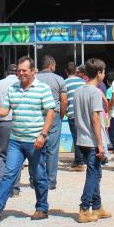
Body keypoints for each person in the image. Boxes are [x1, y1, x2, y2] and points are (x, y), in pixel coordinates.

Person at [0, 56, 56, 222]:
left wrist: (43, 135)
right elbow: (5, 110)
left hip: (35, 140)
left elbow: (51, 112)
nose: (20, 73)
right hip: (16, 140)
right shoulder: (13, 88)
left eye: (24, 70)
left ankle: (42, 208)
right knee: (9, 174)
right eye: (19, 71)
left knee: (38, 175)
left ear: (33, 71)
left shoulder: (42, 88)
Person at [72, 58, 111, 223]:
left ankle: (97, 206)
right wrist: (100, 143)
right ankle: (84, 207)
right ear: (99, 72)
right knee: (92, 174)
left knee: (96, 174)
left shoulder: (78, 91)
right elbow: (96, 118)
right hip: (93, 140)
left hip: (81, 139)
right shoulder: (95, 92)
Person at [0, 63, 22, 197]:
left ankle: (2, 186)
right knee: (17, 155)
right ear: (17, 72)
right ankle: (15, 188)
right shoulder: (22, 84)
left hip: (3, 122)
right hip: (18, 121)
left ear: (7, 72)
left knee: (0, 155)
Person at [34, 55, 68, 190]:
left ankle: (36, 178)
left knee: (36, 147)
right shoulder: (59, 79)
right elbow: (64, 100)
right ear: (51, 66)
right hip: (53, 114)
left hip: (37, 115)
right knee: (52, 149)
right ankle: (50, 181)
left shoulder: (34, 79)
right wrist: (62, 114)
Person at [64, 64, 86, 171]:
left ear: (66, 72)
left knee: (75, 137)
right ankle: (84, 158)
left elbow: (65, 99)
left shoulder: (65, 82)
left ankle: (79, 161)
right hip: (83, 113)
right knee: (83, 136)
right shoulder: (82, 82)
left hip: (72, 113)